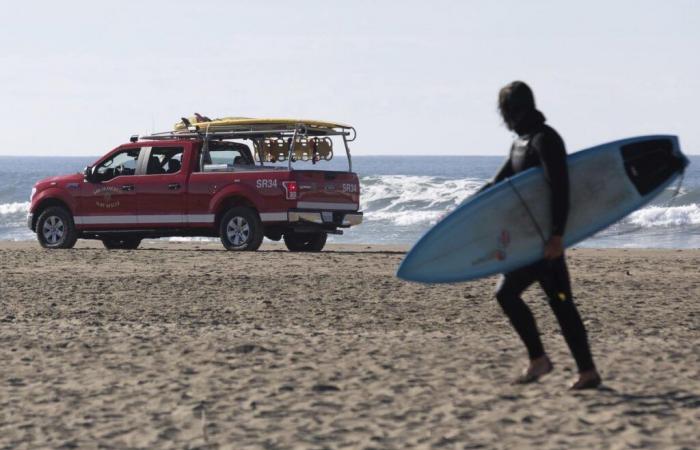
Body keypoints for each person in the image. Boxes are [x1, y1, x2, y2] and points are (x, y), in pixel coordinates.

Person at [484, 81, 601, 390]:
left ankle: (540, 360)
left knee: (507, 294)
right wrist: (456, 216)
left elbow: (561, 188)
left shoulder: (545, 140)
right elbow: (497, 186)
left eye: (504, 112)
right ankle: (586, 371)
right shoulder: (521, 143)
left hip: (544, 244)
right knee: (561, 303)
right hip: (534, 242)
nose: (503, 119)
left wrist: (557, 236)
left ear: (513, 110)